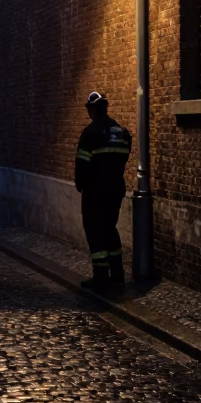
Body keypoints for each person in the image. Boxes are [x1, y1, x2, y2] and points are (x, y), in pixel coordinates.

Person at [74, 91, 132, 289]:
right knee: (109, 227)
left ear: (92, 110)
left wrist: (80, 184)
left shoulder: (90, 133)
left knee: (94, 230)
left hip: (95, 190)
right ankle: (117, 273)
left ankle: (101, 275)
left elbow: (81, 163)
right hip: (115, 188)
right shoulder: (122, 132)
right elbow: (124, 158)